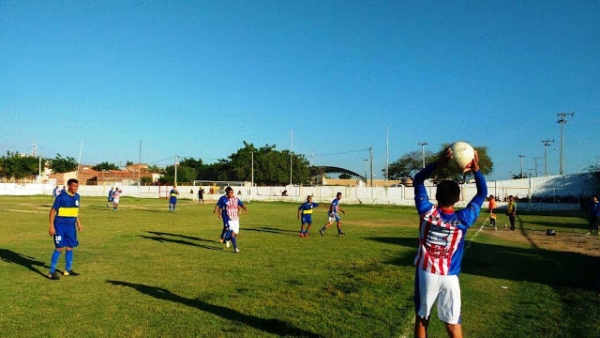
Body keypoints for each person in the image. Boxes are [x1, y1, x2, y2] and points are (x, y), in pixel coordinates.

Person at [412, 148, 487, 338]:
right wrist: (476, 170)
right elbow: (482, 193)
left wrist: (438, 164)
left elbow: (418, 180)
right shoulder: (464, 218)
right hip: (450, 277)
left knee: (422, 319)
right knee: (453, 325)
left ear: (436, 197)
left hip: (426, 274)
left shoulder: (427, 213)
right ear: (459, 198)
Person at [47, 178, 83, 280]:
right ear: (69, 186)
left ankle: (68, 270)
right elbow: (52, 211)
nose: (76, 188)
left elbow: (74, 212)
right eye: (74, 186)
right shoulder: (61, 197)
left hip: (71, 226)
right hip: (60, 226)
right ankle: (51, 272)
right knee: (59, 247)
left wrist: (78, 223)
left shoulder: (77, 197)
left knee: (70, 247)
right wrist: (51, 226)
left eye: (77, 186)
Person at [214, 187, 248, 253]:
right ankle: (235, 248)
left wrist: (245, 209)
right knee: (230, 231)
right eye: (230, 192)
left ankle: (227, 239)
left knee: (235, 234)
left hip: (235, 219)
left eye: (232, 192)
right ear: (227, 192)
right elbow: (220, 207)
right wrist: (219, 214)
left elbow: (240, 204)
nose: (231, 194)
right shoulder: (224, 199)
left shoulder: (236, 199)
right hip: (228, 218)